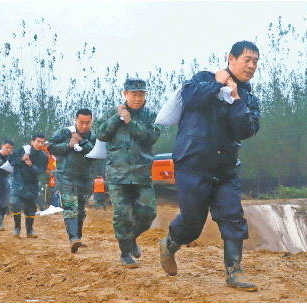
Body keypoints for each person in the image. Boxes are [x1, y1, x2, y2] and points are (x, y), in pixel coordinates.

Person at [159, 41, 261, 291]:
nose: (251, 65)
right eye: (247, 59)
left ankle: (234, 272)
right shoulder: (202, 79)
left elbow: (247, 129)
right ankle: (170, 244)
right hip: (193, 163)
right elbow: (191, 99)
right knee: (193, 223)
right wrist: (218, 82)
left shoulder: (249, 97)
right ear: (231, 58)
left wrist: (236, 99)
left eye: (256, 61)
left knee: (233, 218)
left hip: (225, 168)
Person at [97, 78, 161, 268]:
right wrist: (117, 118)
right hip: (117, 174)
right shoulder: (112, 113)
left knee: (148, 213)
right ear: (125, 94)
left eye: (141, 94)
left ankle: (132, 238)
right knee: (122, 214)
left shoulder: (150, 116)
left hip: (142, 173)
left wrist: (130, 122)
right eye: (134, 94)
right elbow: (100, 134)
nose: (138, 98)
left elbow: (151, 137)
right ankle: (125, 253)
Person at [48, 109, 96, 253]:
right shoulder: (65, 132)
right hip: (65, 176)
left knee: (80, 210)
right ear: (75, 120)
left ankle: (77, 238)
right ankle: (73, 238)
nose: (84, 126)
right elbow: (50, 147)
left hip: (85, 177)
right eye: (81, 122)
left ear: (91, 121)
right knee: (70, 207)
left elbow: (95, 153)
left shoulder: (94, 135)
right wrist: (68, 145)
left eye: (87, 123)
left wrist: (83, 141)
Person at [9, 135, 47, 238]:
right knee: (14, 203)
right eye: (38, 141)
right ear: (32, 141)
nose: (40, 144)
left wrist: (31, 165)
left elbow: (41, 171)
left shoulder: (43, 156)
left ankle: (29, 230)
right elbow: (11, 161)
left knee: (30, 208)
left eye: (42, 142)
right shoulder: (21, 150)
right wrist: (22, 158)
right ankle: (17, 228)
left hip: (32, 185)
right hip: (18, 183)